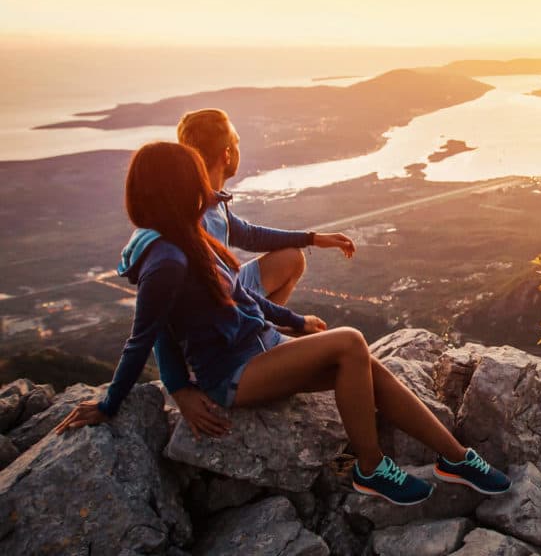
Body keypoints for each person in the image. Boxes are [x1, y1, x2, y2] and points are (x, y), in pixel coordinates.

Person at [54, 142, 510, 505]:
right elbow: (147, 337)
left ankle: (456, 458)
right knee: (351, 342)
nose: (208, 192)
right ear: (177, 191)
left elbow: (240, 295)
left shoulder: (188, 235)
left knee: (364, 365)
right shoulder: (165, 259)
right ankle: (370, 470)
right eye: (197, 183)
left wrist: (292, 322)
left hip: (260, 348)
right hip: (232, 375)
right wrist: (128, 400)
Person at [165, 108, 354, 438]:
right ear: (226, 153)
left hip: (227, 290)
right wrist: (179, 389)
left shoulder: (213, 198)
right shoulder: (192, 215)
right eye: (236, 141)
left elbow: (248, 235)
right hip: (216, 310)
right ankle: (263, 338)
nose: (239, 147)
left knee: (292, 258)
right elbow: (163, 311)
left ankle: (266, 331)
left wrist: (312, 239)